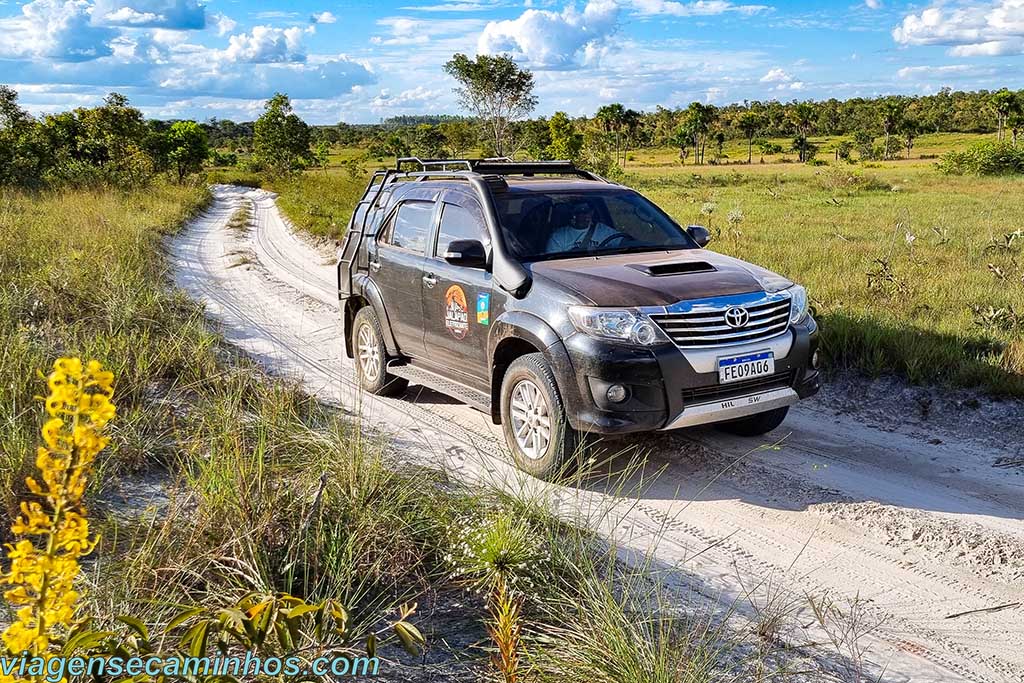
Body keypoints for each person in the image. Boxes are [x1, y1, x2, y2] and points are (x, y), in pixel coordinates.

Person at [545, 201, 619, 254]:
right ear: (572, 214)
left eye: (585, 212)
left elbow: (625, 242)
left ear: (592, 213)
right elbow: (552, 262)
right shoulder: (558, 236)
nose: (581, 216)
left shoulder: (604, 231)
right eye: (578, 212)